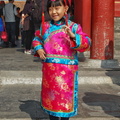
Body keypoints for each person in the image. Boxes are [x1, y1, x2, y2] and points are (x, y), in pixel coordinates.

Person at [32, 0, 91, 120]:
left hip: (67, 73)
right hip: (49, 73)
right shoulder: (45, 26)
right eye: (50, 9)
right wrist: (38, 48)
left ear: (66, 8)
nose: (53, 12)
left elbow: (87, 43)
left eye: (57, 8)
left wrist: (74, 36)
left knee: (65, 102)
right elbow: (37, 38)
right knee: (51, 101)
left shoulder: (74, 27)